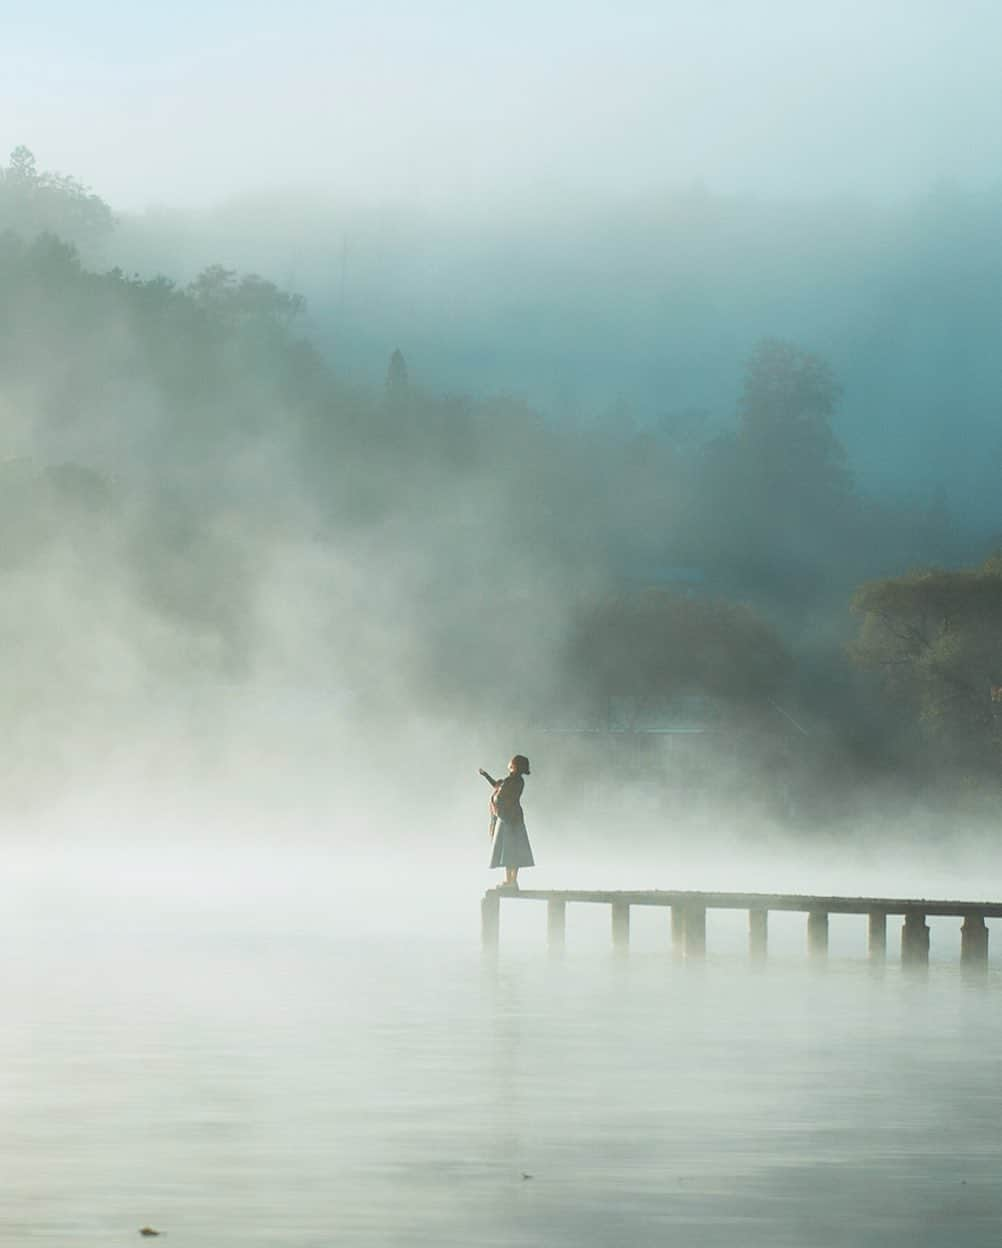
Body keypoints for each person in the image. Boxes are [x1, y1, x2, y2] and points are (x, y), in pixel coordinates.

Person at [478, 755, 534, 889]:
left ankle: (512, 881)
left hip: (510, 818)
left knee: (510, 851)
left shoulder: (514, 781)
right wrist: (486, 775)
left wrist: (497, 805)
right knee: (508, 851)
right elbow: (497, 786)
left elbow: (503, 794)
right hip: (508, 817)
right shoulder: (512, 780)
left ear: (515, 766)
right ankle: (510, 880)